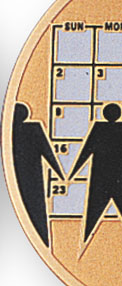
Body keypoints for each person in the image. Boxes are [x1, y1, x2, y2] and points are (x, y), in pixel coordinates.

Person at [69, 103, 122, 250]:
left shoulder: (100, 128)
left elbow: (86, 152)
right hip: (118, 176)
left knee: (97, 213)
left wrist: (73, 173)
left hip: (102, 176)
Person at [12, 102, 64, 247]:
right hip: (32, 177)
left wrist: (60, 174)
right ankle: (42, 240)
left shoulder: (26, 129)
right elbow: (48, 153)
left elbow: (47, 152)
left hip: (28, 176)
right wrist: (60, 174)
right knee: (35, 211)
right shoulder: (33, 128)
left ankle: (42, 242)